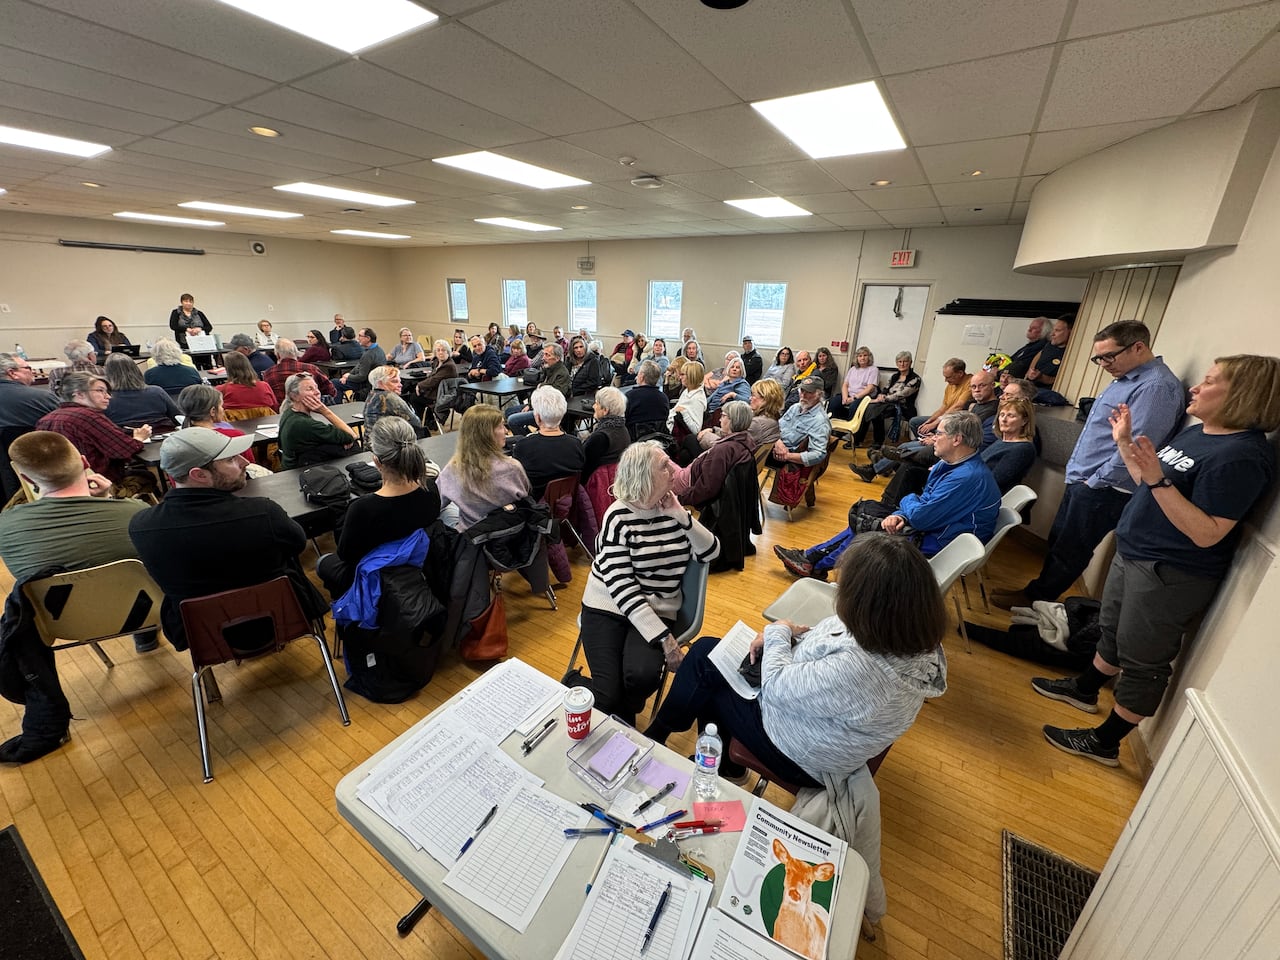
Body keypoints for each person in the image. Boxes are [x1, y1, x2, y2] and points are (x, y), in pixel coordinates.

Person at [1033, 355, 1280, 766]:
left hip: (1170, 570)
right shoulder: (1198, 434)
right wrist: (1124, 443)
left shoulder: (1242, 457)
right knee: (1112, 631)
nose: (1195, 388)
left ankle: (1105, 742)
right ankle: (1085, 689)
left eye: (1209, 381)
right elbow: (1148, 482)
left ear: (1243, 394)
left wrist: (1156, 477)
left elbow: (1208, 532)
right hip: (1135, 551)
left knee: (1143, 658)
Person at [644, 534, 947, 788]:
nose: (838, 592)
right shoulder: (908, 633)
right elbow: (836, 639)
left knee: (706, 667)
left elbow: (776, 687)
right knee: (711, 655)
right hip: (817, 720)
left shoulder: (862, 667)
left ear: (868, 605)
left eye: (845, 589)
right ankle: (725, 766)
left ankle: (657, 739)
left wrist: (779, 630)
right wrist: (793, 636)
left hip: (800, 753)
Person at [992, 321, 1185, 609]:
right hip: (1086, 479)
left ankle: (1035, 601)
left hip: (1105, 486)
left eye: (1109, 357)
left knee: (1071, 549)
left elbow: (1135, 447)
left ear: (1138, 347)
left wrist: (1093, 481)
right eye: (1099, 358)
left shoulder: (1156, 387)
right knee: (1060, 540)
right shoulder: (1126, 377)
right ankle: (1035, 596)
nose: (1103, 364)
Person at [0, 432, 156, 764]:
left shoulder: (7, 526)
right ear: (85, 464)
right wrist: (110, 497)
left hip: (65, 625)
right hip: (148, 611)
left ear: (27, 479)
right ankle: (146, 638)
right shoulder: (135, 512)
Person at [128, 427, 327, 651]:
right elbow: (297, 545)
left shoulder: (141, 526)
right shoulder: (263, 512)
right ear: (199, 475)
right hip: (282, 617)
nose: (245, 462)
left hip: (200, 634)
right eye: (231, 459)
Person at [575, 441, 720, 725]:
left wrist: (682, 517)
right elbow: (623, 589)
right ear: (644, 476)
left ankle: (619, 715)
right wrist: (666, 640)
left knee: (641, 677)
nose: (674, 469)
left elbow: (712, 552)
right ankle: (594, 696)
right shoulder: (618, 515)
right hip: (608, 603)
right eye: (665, 466)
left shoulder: (673, 509)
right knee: (607, 695)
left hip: (656, 608)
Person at [775, 411, 1000, 579]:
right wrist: (901, 514)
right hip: (937, 526)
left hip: (947, 542)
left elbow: (921, 515)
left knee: (869, 526)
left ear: (957, 439)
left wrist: (906, 501)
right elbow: (924, 502)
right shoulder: (950, 464)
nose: (933, 437)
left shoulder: (966, 477)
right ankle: (813, 560)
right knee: (866, 514)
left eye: (938, 433)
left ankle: (813, 561)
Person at [317, 417, 442, 596]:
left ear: (376, 461)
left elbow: (346, 555)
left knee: (323, 562)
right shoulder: (430, 488)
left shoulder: (362, 509)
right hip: (419, 564)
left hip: (377, 577)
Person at [853, 368, 998, 481]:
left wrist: (937, 439)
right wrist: (935, 433)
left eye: (981, 386)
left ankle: (876, 467)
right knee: (908, 443)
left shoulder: (991, 410)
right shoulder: (972, 404)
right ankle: (881, 466)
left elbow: (968, 437)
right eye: (973, 387)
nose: (976, 390)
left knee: (905, 449)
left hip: (954, 448)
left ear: (993, 385)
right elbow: (953, 422)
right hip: (947, 439)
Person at [36, 372, 149, 483]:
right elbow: (125, 449)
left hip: (56, 485)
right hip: (95, 484)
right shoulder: (88, 417)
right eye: (100, 390)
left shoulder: (45, 420)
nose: (108, 396)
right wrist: (139, 438)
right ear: (79, 394)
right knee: (147, 477)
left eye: (107, 392)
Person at [436, 404, 531, 530]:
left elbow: (436, 505)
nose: (506, 431)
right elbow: (525, 497)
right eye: (501, 426)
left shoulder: (452, 470)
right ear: (487, 434)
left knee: (447, 509)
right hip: (512, 530)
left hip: (473, 535)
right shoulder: (513, 467)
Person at [671, 400, 756, 508]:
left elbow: (707, 488)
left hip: (688, 483)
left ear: (733, 420)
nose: (720, 419)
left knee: (657, 458)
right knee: (684, 453)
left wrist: (680, 499)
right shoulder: (745, 441)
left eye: (723, 416)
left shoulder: (723, 450)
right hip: (693, 476)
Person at [0, 352, 60, 497]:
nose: (32, 371)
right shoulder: (42, 398)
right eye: (28, 368)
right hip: (39, 472)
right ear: (12, 373)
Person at [510, 386, 585, 500]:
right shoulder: (577, 444)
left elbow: (517, 481)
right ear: (562, 414)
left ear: (538, 418)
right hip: (568, 502)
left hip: (534, 505)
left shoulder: (523, 446)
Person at [278, 372, 358, 469]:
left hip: (296, 466)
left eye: (316, 387)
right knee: (354, 447)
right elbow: (352, 436)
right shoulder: (303, 424)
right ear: (294, 396)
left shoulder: (288, 413)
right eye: (310, 389)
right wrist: (325, 411)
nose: (317, 392)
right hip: (301, 471)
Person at [851, 351, 921, 448]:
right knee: (866, 408)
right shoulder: (895, 376)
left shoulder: (915, 379)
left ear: (910, 363)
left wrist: (884, 398)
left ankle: (878, 441)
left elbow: (901, 395)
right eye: (900, 361)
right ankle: (857, 439)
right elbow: (886, 388)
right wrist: (881, 395)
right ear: (896, 363)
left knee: (877, 412)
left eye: (905, 361)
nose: (902, 364)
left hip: (902, 406)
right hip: (887, 402)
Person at [176, 384, 257, 464]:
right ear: (213, 411)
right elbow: (250, 466)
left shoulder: (178, 440)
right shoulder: (235, 437)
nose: (223, 409)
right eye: (221, 406)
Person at [102, 353, 179, 430]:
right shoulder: (157, 392)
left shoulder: (105, 399)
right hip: (163, 433)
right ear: (136, 369)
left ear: (107, 373)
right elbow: (178, 417)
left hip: (125, 436)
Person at [767, 376, 831, 469]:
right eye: (802, 390)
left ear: (819, 395)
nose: (803, 395)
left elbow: (818, 454)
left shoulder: (820, 421)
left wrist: (787, 456)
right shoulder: (795, 407)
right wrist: (778, 442)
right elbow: (776, 427)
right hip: (774, 444)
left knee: (748, 455)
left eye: (808, 392)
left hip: (787, 459)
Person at [982, 397, 1038, 492]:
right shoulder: (1000, 441)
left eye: (1011, 416)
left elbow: (994, 481)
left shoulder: (1023, 449)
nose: (1004, 419)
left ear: (1024, 421)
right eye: (1002, 415)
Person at [909, 358, 971, 439]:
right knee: (915, 422)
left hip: (957, 422)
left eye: (948, 377)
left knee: (933, 428)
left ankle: (930, 442)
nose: (945, 380)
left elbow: (958, 406)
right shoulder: (951, 385)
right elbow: (944, 407)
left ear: (960, 373)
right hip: (946, 418)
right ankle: (924, 442)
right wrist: (931, 420)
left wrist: (935, 423)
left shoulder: (970, 382)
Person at [263, 338, 336, 404]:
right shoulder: (311, 369)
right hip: (311, 408)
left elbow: (268, 397)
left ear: (278, 355)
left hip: (281, 411)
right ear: (296, 353)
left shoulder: (268, 373)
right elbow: (331, 391)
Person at [581, 386, 629, 483]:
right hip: (615, 482)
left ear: (605, 410)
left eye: (596, 403)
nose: (593, 406)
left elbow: (583, 463)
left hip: (596, 485)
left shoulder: (601, 437)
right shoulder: (623, 429)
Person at [362, 366, 420, 445]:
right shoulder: (390, 397)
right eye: (394, 381)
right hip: (388, 446)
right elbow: (416, 423)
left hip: (369, 445)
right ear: (380, 383)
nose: (400, 385)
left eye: (400, 381)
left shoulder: (372, 394)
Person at [412, 339, 458, 423]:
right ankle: (427, 420)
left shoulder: (449, 366)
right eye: (438, 350)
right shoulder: (437, 362)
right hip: (434, 390)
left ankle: (422, 422)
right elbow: (432, 377)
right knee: (412, 390)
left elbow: (434, 380)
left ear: (448, 352)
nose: (440, 352)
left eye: (443, 350)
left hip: (441, 395)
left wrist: (419, 385)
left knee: (414, 397)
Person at [624, 361, 670, 438]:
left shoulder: (630, 397)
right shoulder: (664, 398)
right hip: (659, 441)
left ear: (642, 376)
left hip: (634, 442)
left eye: (638, 373)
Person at [830, 345, 879, 419]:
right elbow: (845, 385)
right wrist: (845, 397)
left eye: (865, 355)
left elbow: (870, 388)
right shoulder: (853, 369)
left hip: (862, 397)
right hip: (849, 395)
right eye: (860, 356)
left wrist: (854, 398)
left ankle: (850, 425)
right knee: (833, 403)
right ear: (857, 358)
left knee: (854, 407)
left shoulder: (873, 369)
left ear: (869, 357)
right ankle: (836, 424)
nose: (862, 358)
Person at [1025, 315, 1073, 389]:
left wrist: (1041, 377)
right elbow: (1037, 358)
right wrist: (1030, 372)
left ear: (1071, 332)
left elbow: (1065, 381)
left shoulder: (1072, 355)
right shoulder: (1049, 345)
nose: (1052, 334)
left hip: (1046, 391)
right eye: (1053, 330)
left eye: (1057, 330)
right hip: (1029, 387)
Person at [667, 360, 707, 443]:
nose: (680, 377)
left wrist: (684, 412)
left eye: (682, 375)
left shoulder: (697, 399)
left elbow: (696, 430)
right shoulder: (686, 391)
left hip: (679, 437)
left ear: (691, 376)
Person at [340, 328, 385, 399]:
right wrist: (348, 375)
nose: (358, 338)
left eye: (360, 336)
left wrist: (348, 376)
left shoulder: (369, 354)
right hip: (370, 382)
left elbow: (361, 377)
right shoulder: (379, 350)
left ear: (368, 338)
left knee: (335, 383)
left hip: (366, 384)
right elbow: (358, 366)